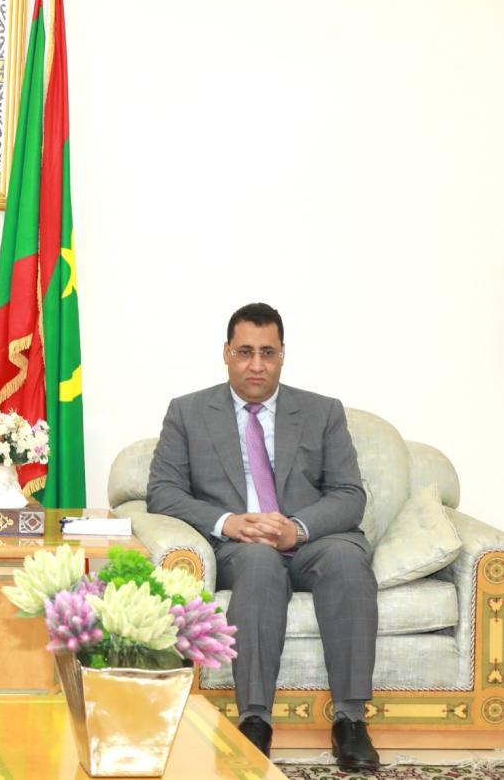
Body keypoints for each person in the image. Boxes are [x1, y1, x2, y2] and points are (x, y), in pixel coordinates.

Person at [146, 303, 380, 771]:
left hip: (311, 540)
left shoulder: (321, 412)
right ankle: (255, 720)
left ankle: (351, 721)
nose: (257, 364)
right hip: (239, 545)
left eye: (268, 353)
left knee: (348, 561)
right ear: (226, 353)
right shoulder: (188, 412)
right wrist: (227, 522)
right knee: (258, 564)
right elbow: (162, 492)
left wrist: (297, 527)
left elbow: (349, 494)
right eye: (245, 352)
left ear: (282, 355)